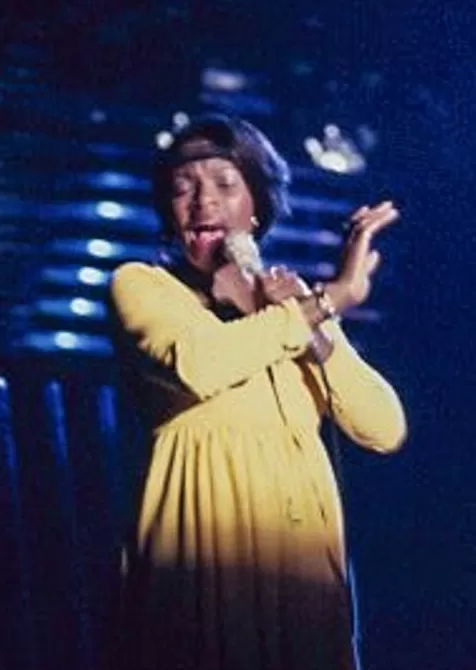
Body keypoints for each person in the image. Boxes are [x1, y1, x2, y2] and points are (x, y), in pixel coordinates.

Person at [110, 113, 407, 670]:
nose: (203, 201)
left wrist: (309, 320)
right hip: (203, 559)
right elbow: (200, 363)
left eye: (225, 184)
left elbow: (382, 426)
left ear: (257, 207)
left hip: (300, 577)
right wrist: (329, 300)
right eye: (184, 187)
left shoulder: (291, 310)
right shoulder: (143, 286)